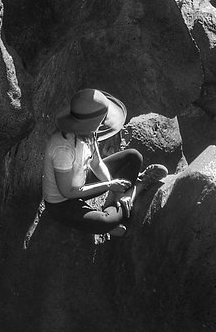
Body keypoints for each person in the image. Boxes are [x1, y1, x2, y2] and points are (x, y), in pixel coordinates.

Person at [42, 88, 167, 238]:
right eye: (101, 120)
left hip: (82, 180)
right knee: (105, 222)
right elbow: (67, 192)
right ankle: (135, 190)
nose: (103, 123)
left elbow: (96, 163)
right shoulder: (63, 149)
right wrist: (109, 185)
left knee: (133, 156)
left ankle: (115, 201)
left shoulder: (88, 133)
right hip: (62, 202)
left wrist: (112, 185)